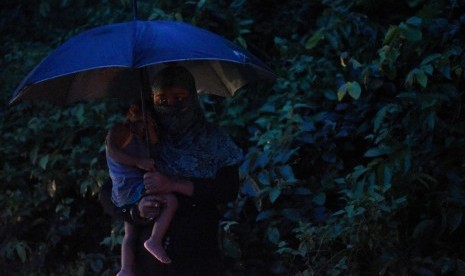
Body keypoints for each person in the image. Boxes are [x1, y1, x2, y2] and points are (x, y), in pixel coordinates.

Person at [100, 65, 243, 275]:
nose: (171, 105)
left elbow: (228, 189)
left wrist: (174, 184)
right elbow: (109, 191)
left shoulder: (215, 141)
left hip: (197, 256)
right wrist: (136, 210)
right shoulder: (144, 138)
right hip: (148, 263)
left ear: (192, 97)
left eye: (179, 97)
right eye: (162, 100)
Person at [105, 100, 178, 276]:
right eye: (147, 125)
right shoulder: (121, 131)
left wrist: (148, 125)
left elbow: (154, 141)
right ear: (133, 112)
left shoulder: (141, 139)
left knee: (130, 233)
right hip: (130, 190)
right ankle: (154, 240)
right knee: (170, 200)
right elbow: (111, 150)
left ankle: (126, 269)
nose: (149, 130)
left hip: (129, 192)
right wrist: (138, 162)